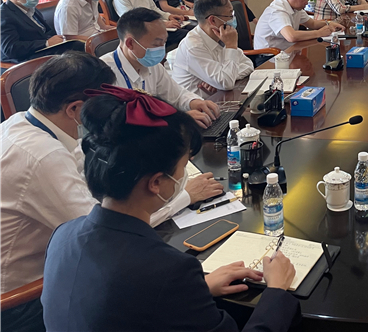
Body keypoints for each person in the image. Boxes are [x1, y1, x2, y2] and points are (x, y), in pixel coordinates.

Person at [42, 88, 301, 332]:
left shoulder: (63, 235)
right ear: (156, 182)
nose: (184, 175)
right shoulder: (169, 271)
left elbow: (119, 304)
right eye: (183, 166)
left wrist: (198, 290)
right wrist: (276, 291)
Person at [0, 54, 222, 332]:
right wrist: (183, 196)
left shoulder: (23, 123)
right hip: (22, 302)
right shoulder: (42, 157)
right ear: (75, 108)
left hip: (61, 264)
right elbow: (109, 225)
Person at [102, 8, 221, 130]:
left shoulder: (153, 66)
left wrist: (194, 102)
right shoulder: (104, 74)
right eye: (156, 44)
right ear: (130, 43)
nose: (162, 51)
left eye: (164, 43)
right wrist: (178, 120)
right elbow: (116, 126)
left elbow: (177, 95)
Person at [172, 0, 254, 93]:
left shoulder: (220, 36)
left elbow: (248, 64)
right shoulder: (194, 46)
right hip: (198, 102)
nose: (233, 18)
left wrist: (227, 77)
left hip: (218, 97)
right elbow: (226, 83)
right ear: (213, 20)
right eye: (230, 15)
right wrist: (231, 46)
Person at [0, 0, 75, 64]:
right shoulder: (4, 15)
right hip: (25, 58)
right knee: (74, 54)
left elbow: (45, 31)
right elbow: (10, 48)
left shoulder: (30, 8)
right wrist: (46, 43)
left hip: (44, 49)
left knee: (77, 46)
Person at [256, 0, 345, 51]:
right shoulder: (277, 10)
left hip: (286, 51)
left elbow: (312, 24)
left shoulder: (295, 7)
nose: (306, 3)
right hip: (269, 56)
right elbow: (291, 36)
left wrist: (329, 23)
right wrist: (319, 33)